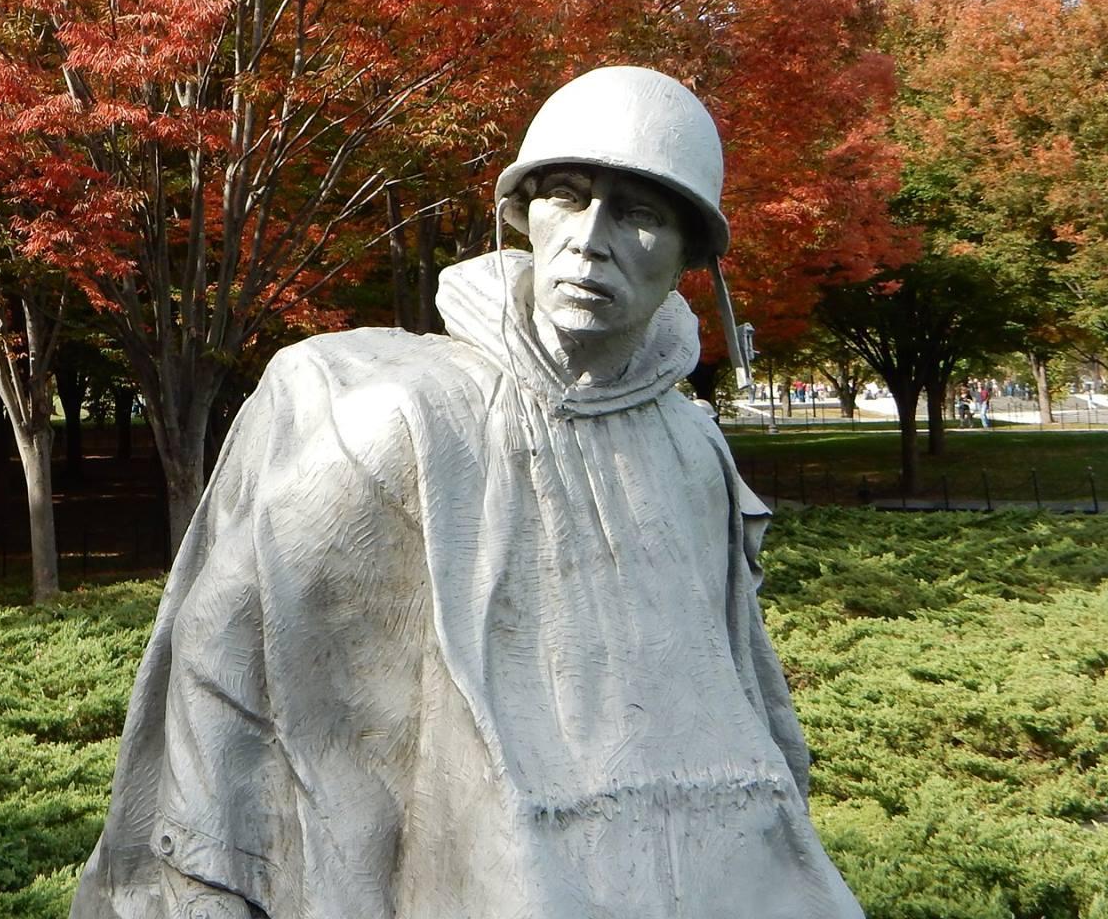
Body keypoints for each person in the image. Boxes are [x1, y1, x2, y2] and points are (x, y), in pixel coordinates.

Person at [71, 66, 863, 919]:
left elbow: (746, 683)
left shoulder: (690, 446)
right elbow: (224, 670)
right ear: (522, 217)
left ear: (690, 256)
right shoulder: (391, 413)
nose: (590, 237)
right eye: (566, 195)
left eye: (640, 214)